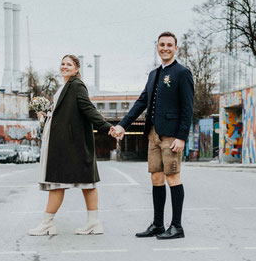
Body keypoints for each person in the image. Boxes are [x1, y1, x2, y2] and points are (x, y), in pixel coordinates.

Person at [111, 31, 194, 240]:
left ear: (176, 48)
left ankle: (177, 226)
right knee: (156, 178)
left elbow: (188, 107)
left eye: (169, 45)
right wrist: (122, 125)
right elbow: (141, 102)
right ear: (157, 47)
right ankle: (158, 224)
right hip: (153, 134)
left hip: (171, 136)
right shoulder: (153, 74)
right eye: (161, 44)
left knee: (172, 177)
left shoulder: (182, 73)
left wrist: (181, 136)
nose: (165, 48)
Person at [29, 55, 115, 236]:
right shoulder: (64, 87)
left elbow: (88, 108)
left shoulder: (76, 85)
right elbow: (64, 115)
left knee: (73, 183)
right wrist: (46, 117)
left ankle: (50, 223)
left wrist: (108, 128)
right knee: (78, 182)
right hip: (63, 144)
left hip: (71, 144)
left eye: (69, 64)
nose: (64, 67)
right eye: (62, 63)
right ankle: (89, 222)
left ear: (77, 69)